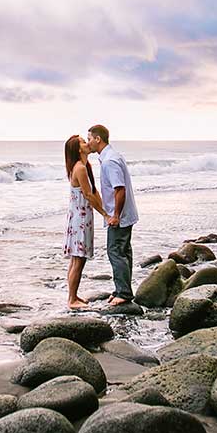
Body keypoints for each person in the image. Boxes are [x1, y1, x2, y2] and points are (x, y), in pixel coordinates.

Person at [86, 124, 139, 306]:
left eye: (89, 139)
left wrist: (115, 215)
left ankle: (123, 293)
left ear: (97, 139)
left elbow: (119, 190)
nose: (88, 143)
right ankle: (121, 289)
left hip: (120, 216)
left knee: (115, 252)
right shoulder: (112, 156)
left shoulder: (109, 161)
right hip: (125, 214)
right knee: (124, 252)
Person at [63, 134, 107, 310]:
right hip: (80, 218)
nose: (87, 143)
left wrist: (106, 209)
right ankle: (72, 300)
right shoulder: (79, 168)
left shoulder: (84, 166)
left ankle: (73, 296)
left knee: (76, 260)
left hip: (80, 217)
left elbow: (94, 192)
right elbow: (88, 195)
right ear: (78, 149)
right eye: (83, 141)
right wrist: (104, 213)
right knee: (78, 260)